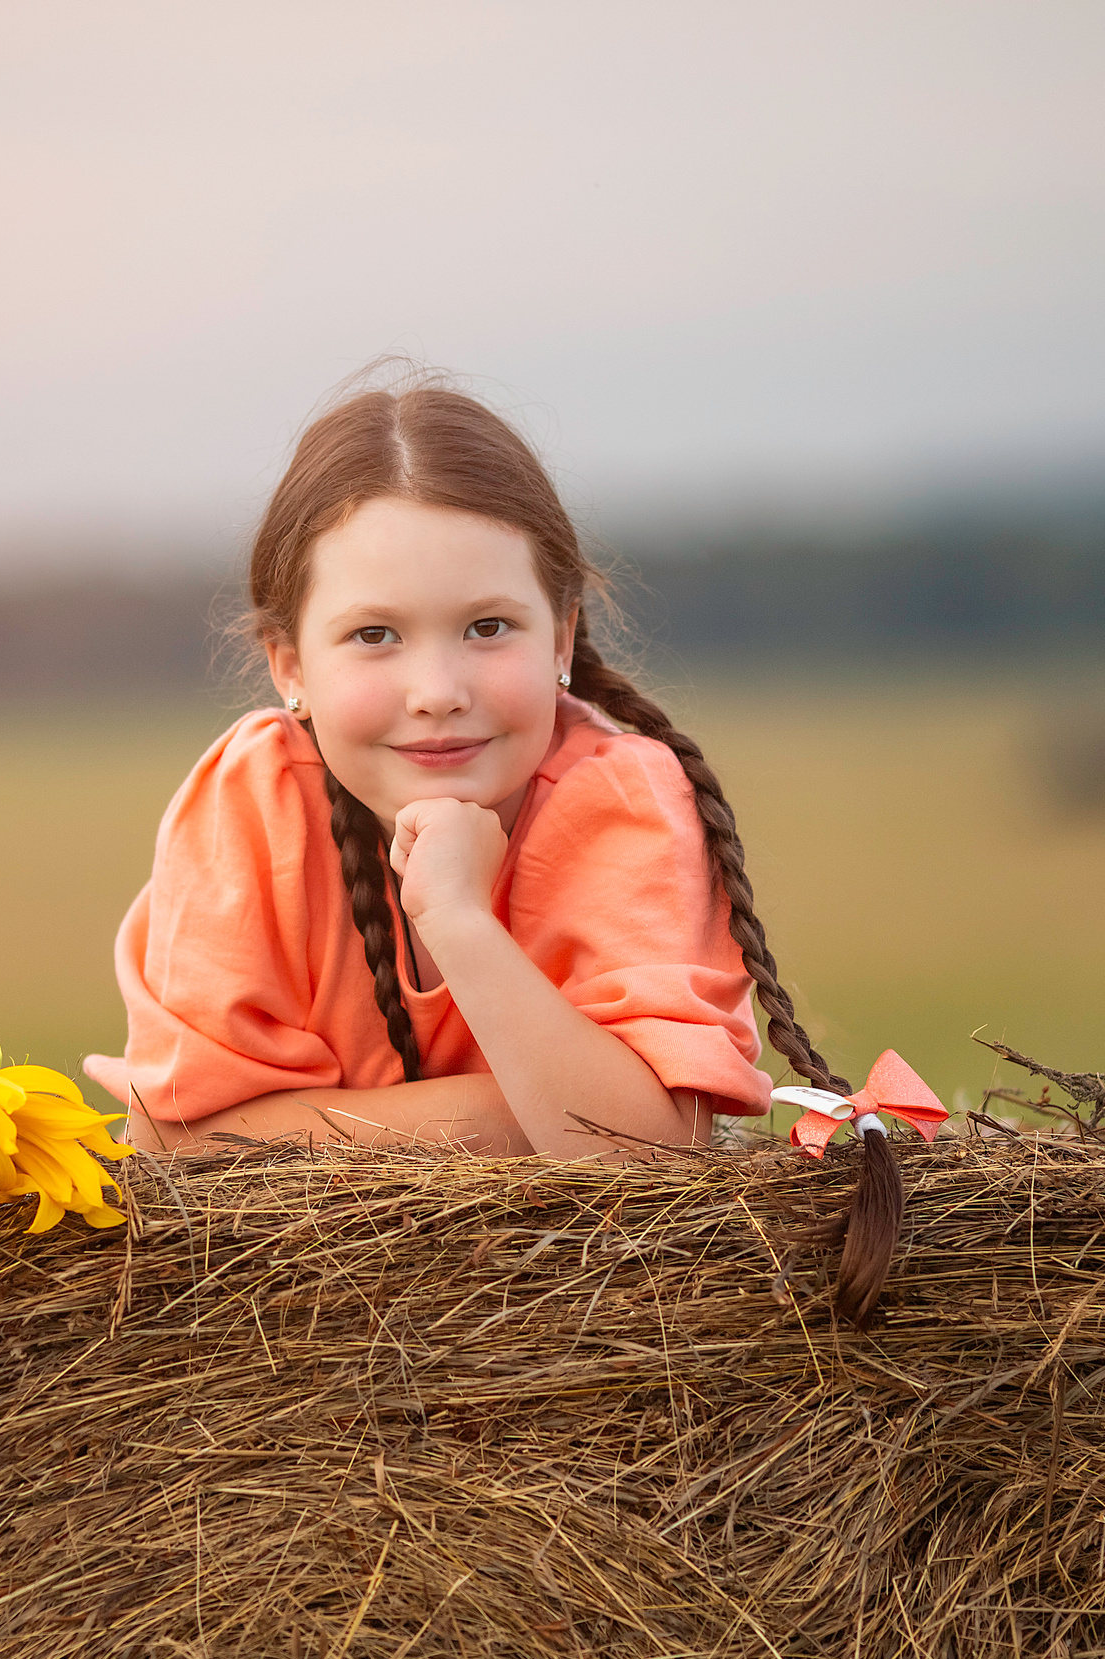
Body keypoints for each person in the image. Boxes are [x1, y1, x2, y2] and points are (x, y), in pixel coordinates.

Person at [81, 371, 864, 1177]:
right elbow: (178, 1140)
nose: (438, 693)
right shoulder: (249, 806)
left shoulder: (622, 803)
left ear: (561, 639)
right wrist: (512, 1111)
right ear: (291, 666)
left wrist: (459, 922)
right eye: (375, 634)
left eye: (488, 627)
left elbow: (652, 1150)